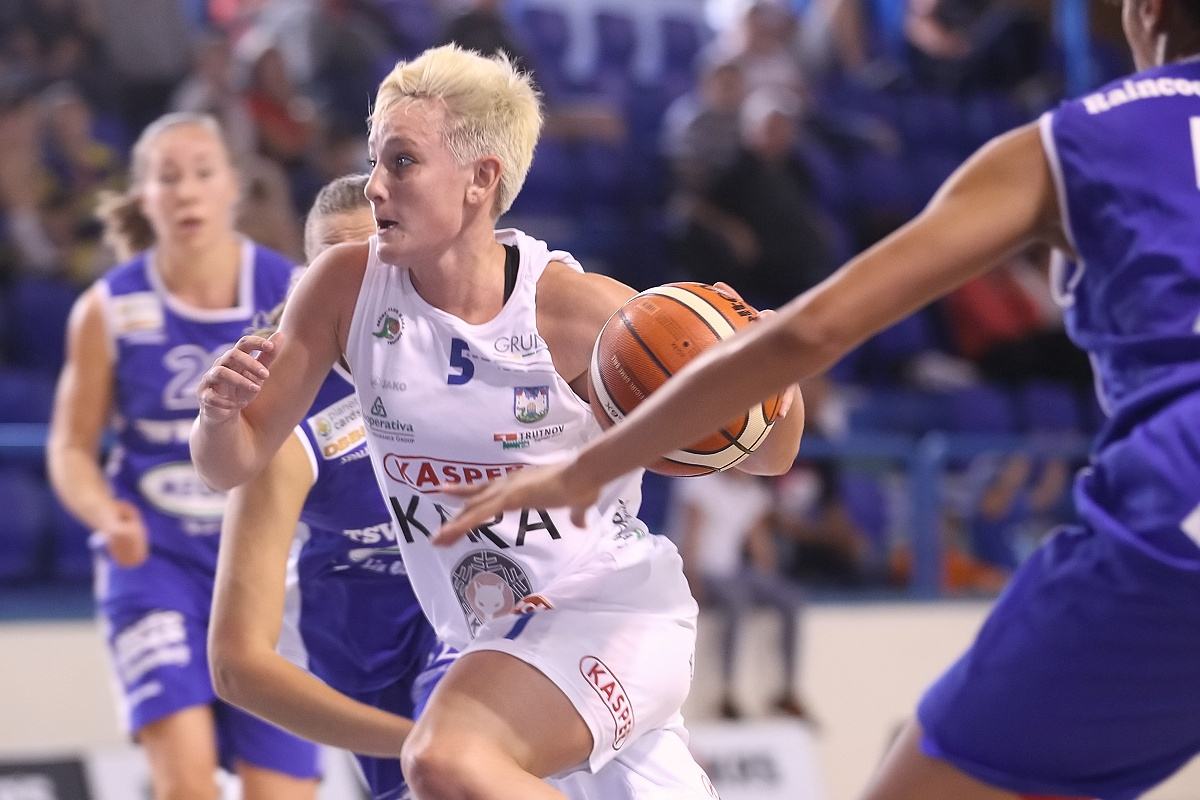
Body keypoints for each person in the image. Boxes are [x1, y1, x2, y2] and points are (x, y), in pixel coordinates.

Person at [436, 1, 1200, 798]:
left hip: (1174, 520)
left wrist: (590, 466)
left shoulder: (1078, 140)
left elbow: (814, 330)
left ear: (1147, 10)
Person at [190, 44, 805, 799]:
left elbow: (769, 454)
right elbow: (230, 463)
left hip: (609, 612)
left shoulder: (578, 314)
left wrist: (771, 363)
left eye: (402, 162)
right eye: (375, 160)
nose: (375, 184)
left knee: (443, 760)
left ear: (481, 179)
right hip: (494, 642)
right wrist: (219, 416)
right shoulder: (345, 288)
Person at [45, 112, 319, 800]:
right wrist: (104, 514)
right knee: (187, 783)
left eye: (202, 173)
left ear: (233, 185)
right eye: (168, 178)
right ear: (143, 197)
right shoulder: (108, 309)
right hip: (157, 561)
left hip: (270, 566)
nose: (187, 191)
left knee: (279, 791)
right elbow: (71, 446)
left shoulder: (293, 293)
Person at [208, 173, 452, 800]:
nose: (364, 287)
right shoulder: (290, 419)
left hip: (482, 613)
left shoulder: (483, 349)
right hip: (368, 648)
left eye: (377, 262)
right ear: (308, 286)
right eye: (338, 269)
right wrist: (419, 743)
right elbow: (236, 666)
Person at [671, 470, 811, 721]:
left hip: (731, 572)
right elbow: (691, 537)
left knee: (789, 599)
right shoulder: (701, 485)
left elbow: (759, 544)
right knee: (736, 603)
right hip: (703, 570)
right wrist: (691, 580)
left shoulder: (752, 492)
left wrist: (769, 583)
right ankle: (727, 691)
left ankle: (788, 690)